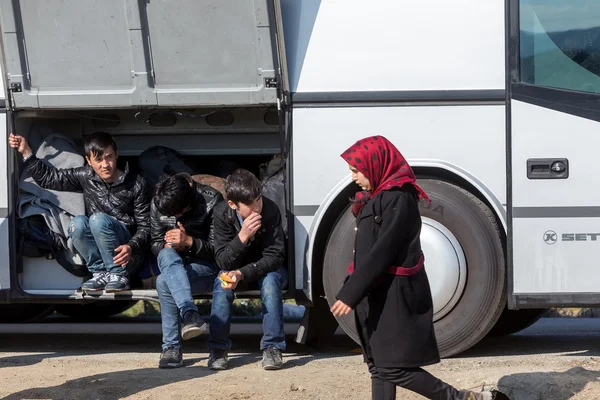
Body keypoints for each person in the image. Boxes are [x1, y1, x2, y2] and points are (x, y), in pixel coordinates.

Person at [331, 135, 509, 400]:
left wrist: (351, 292)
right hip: (376, 296)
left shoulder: (397, 199)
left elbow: (383, 251)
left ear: (375, 165)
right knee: (378, 366)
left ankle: (463, 399)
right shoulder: (377, 197)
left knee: (393, 368)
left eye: (357, 170)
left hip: (392, 296)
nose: (354, 177)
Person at [9, 132, 149, 293]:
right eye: (98, 159)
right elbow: (49, 178)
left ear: (116, 154)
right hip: (100, 248)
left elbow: (145, 227)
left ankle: (118, 275)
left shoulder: (136, 183)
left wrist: (131, 246)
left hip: (128, 255)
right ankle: (99, 273)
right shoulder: (85, 176)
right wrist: (26, 152)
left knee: (97, 220)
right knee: (78, 223)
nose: (105, 164)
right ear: (89, 161)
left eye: (109, 157)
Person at [150, 173, 232, 368]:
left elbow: (218, 251)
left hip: (204, 267)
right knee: (164, 259)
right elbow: (153, 243)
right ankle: (190, 314)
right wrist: (167, 245)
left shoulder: (212, 200)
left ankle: (171, 347)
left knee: (164, 282)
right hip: (173, 265)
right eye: (172, 214)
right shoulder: (159, 201)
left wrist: (189, 242)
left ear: (190, 192)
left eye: (181, 211)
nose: (177, 216)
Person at [210, 168, 287, 370]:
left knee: (271, 283)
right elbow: (223, 260)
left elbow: (275, 256)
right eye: (250, 204)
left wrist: (243, 273)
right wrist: (242, 237)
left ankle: (272, 347)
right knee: (222, 282)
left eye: (259, 199)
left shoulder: (270, 210)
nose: (257, 208)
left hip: (265, 270)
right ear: (233, 205)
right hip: (235, 271)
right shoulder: (221, 214)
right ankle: (218, 348)